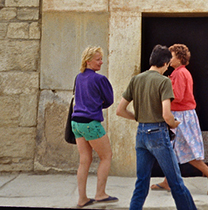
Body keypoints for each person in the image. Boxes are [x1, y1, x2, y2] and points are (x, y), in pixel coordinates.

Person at [116, 45, 197, 210]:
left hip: (141, 134)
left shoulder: (136, 79)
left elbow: (120, 110)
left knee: (141, 182)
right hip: (158, 134)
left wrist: (138, 118)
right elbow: (167, 115)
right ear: (166, 63)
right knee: (176, 182)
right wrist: (174, 123)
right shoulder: (164, 81)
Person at [150, 44, 208, 195]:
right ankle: (167, 181)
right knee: (173, 149)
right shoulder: (181, 72)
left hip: (181, 115)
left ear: (180, 58)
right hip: (183, 114)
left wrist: (161, 98)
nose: (169, 59)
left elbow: (177, 96)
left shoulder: (179, 74)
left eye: (172, 56)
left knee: (185, 151)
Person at [70, 46, 118, 208]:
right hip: (91, 123)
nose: (101, 62)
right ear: (88, 61)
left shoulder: (79, 77)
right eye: (98, 59)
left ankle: (82, 198)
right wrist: (98, 105)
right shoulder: (100, 79)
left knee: (84, 160)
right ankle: (100, 194)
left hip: (76, 122)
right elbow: (109, 100)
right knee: (106, 156)